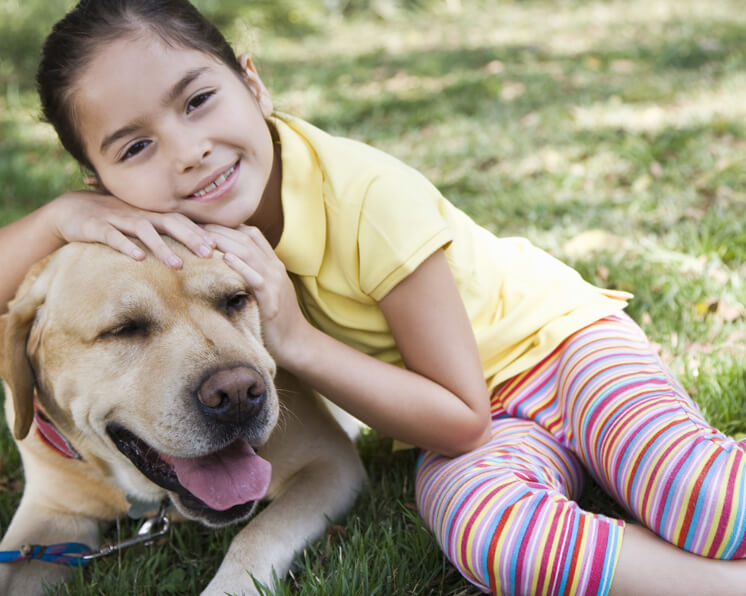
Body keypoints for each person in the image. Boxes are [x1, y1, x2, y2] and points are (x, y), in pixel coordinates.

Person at [1, 1, 745, 594]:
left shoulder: (369, 196)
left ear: (253, 85)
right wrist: (56, 217)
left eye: (198, 101)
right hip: (456, 426)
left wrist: (289, 337)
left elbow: (460, 416)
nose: (187, 149)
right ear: (101, 182)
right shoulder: (163, 231)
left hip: (557, 354)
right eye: (135, 146)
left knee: (704, 498)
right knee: (486, 537)